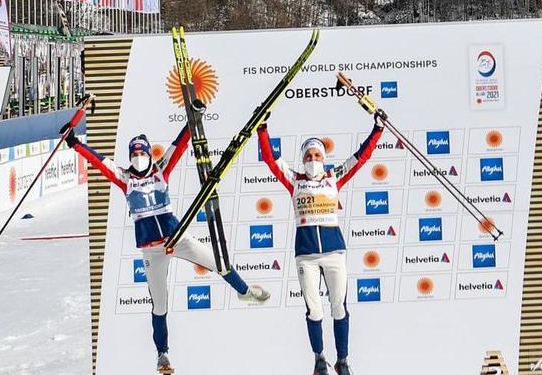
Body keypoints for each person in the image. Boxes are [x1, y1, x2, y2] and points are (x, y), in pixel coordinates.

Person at [67, 128, 270, 374]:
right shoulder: (124, 177)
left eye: (142, 151)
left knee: (218, 261)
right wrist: (75, 142)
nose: (138, 155)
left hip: (177, 236)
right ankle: (162, 355)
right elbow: (98, 160)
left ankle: (245, 292)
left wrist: (192, 120)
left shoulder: (161, 169)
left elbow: (179, 145)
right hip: (153, 251)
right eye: (134, 152)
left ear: (149, 153)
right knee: (160, 305)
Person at [258, 111, 387, 375]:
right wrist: (262, 130)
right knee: (314, 310)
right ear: (302, 159)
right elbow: (271, 159)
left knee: (338, 306)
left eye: (317, 155)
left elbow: (361, 157)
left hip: (334, 253)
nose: (312, 160)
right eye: (308, 156)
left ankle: (343, 360)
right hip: (306, 255)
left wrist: (377, 130)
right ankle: (319, 359)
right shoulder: (295, 181)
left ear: (323, 158)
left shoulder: (333, 177)